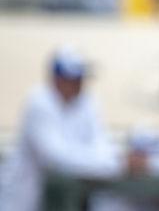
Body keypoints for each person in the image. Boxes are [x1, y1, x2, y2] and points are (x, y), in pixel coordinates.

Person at [0, 47, 121, 211]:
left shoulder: (88, 101)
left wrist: (104, 162)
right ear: (57, 79)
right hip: (25, 194)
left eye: (80, 78)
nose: (78, 84)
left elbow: (101, 144)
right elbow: (54, 156)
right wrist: (102, 164)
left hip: (69, 193)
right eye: (73, 79)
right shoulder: (39, 101)